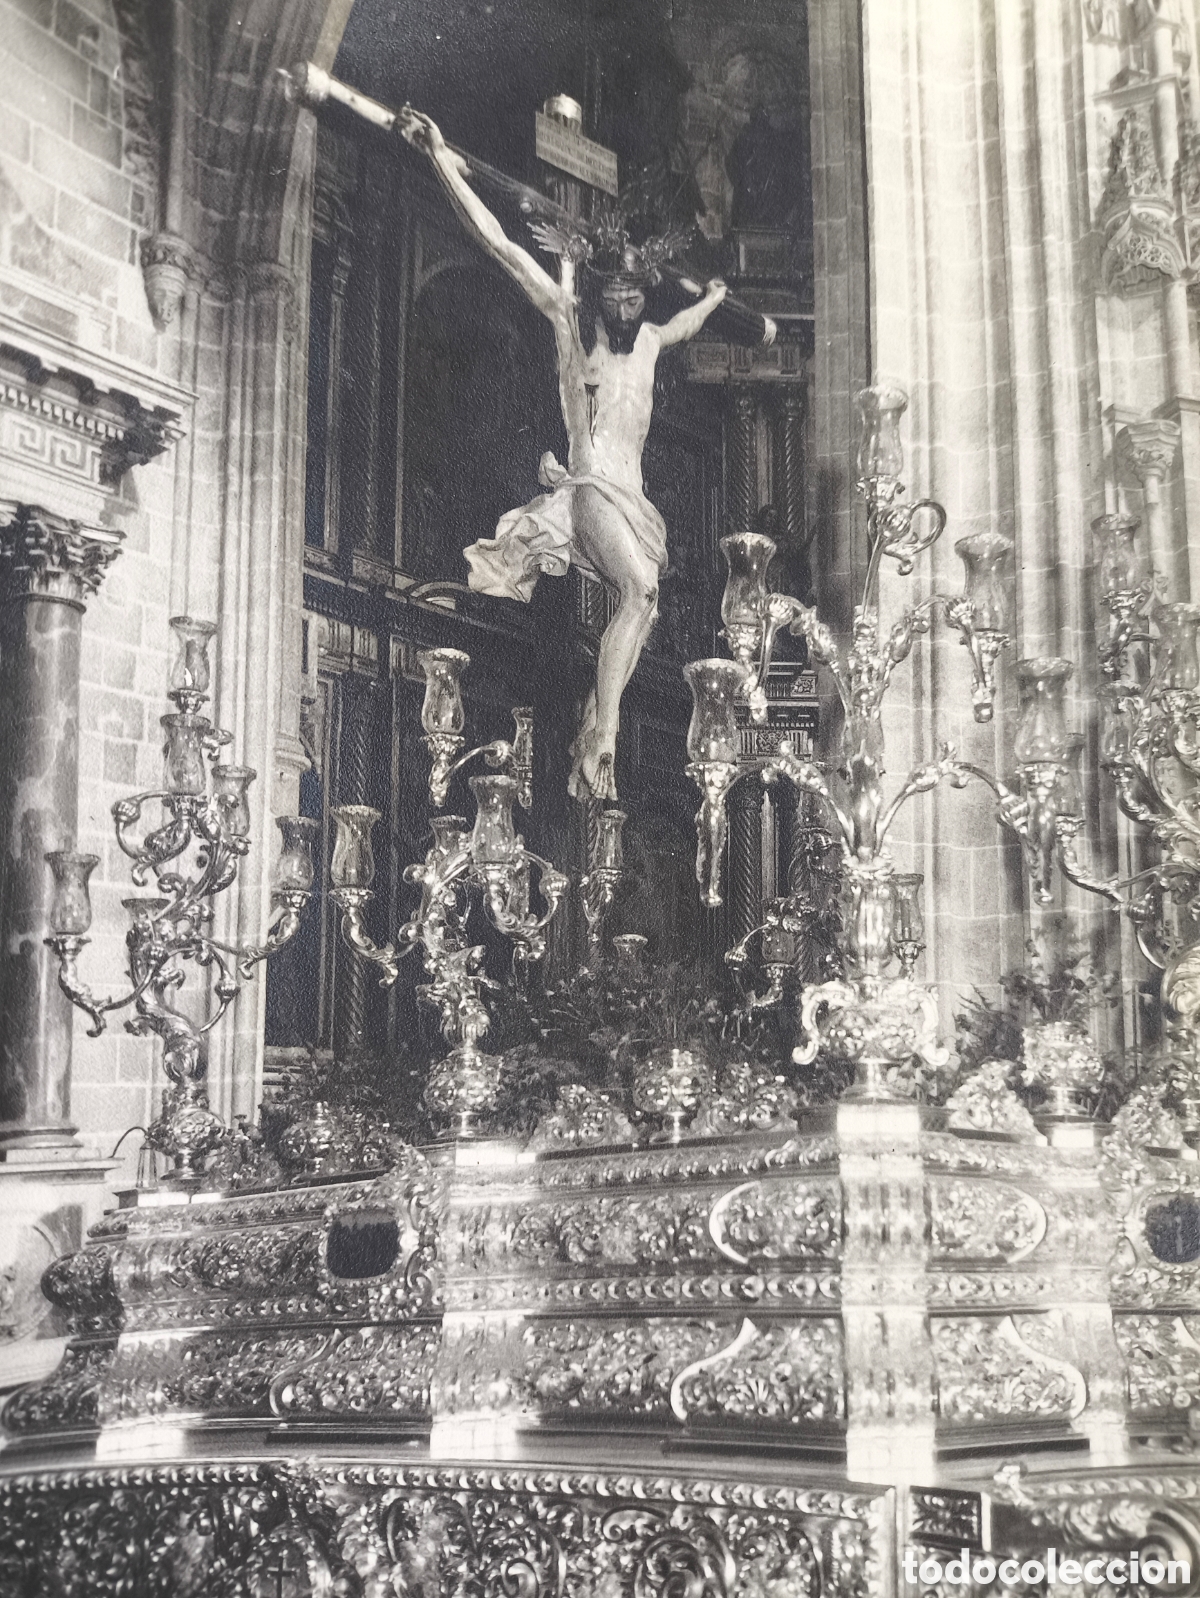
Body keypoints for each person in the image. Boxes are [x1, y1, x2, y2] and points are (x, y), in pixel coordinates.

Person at [398, 106, 730, 802]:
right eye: (614, 293)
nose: (625, 304)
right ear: (600, 296)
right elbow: (495, 243)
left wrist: (719, 300)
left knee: (646, 603)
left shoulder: (648, 343)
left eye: (635, 293)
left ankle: (591, 722)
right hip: (587, 490)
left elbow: (685, 324)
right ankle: (604, 732)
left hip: (631, 500)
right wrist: (440, 160)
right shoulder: (566, 322)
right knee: (638, 592)